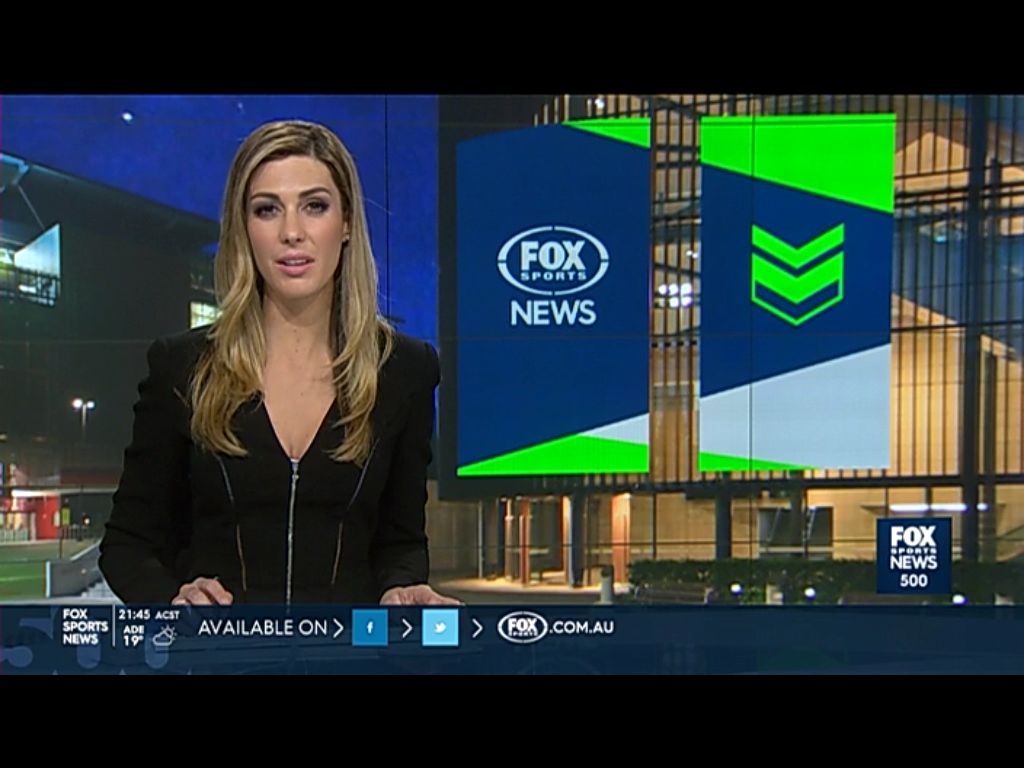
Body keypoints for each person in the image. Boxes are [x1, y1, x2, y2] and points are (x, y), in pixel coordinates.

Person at [99, 119, 458, 607]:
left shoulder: (405, 370)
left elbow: (401, 541)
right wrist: (172, 600)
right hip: (219, 649)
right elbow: (128, 545)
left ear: (346, 223)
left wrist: (402, 586)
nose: (292, 233)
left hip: (348, 649)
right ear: (244, 228)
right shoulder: (182, 367)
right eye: (267, 209)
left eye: (315, 206)